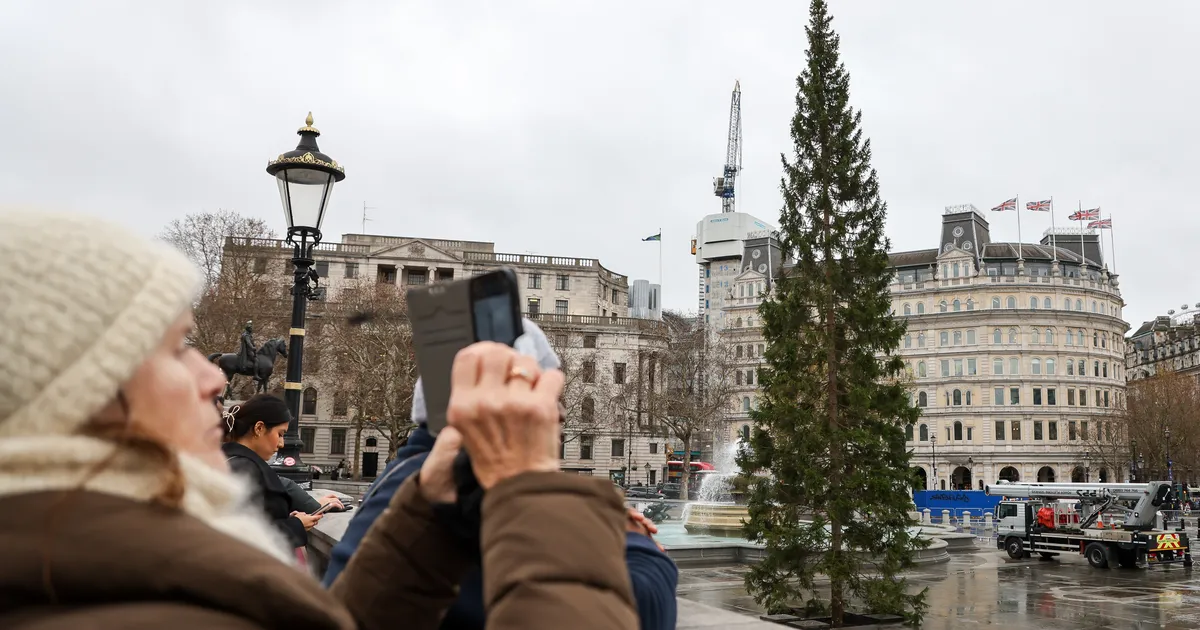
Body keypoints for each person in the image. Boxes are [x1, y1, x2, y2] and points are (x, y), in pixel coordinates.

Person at [0, 211, 638, 629]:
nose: (217, 377)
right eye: (175, 349)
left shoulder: (94, 564)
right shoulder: (139, 599)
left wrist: (423, 515)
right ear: (71, 389)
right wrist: (532, 483)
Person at [324, 319, 679, 630]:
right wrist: (639, 549)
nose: (561, 413)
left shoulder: (411, 480)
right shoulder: (467, 489)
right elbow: (624, 612)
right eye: (549, 395)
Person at [222, 394, 341, 548]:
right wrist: (296, 525)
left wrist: (288, 519)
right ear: (259, 428)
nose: (281, 444)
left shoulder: (228, 461)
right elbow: (241, 535)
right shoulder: (244, 469)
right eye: (280, 434)